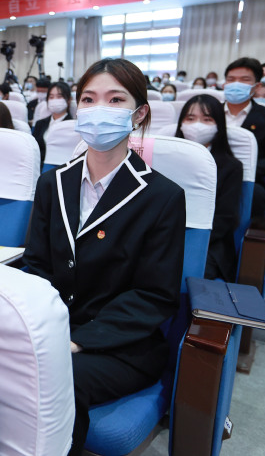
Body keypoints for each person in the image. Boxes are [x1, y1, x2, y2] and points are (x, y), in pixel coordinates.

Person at [24, 58, 184, 456]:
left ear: (139, 113)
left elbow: (154, 295)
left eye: (115, 100)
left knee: (56, 381)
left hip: (123, 345)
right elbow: (37, 265)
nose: (100, 110)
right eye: (89, 99)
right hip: (54, 328)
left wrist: (79, 340)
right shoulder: (51, 183)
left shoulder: (163, 196)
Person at [176, 95, 242, 282]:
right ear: (181, 123)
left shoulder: (231, 166)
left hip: (207, 241)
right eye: (190, 118)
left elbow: (225, 219)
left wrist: (183, 240)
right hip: (161, 236)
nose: (197, 125)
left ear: (218, 125)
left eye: (206, 119)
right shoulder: (166, 156)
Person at [223, 57, 265, 217]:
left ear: (257, 86)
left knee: (255, 196)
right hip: (206, 174)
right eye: (231, 79)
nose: (236, 84)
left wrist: (243, 169)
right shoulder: (209, 113)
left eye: (244, 80)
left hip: (245, 179)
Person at [32, 81, 73, 163]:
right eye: (51, 97)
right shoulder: (40, 124)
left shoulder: (73, 125)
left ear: (69, 99)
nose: (55, 100)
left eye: (59, 97)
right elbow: (33, 149)